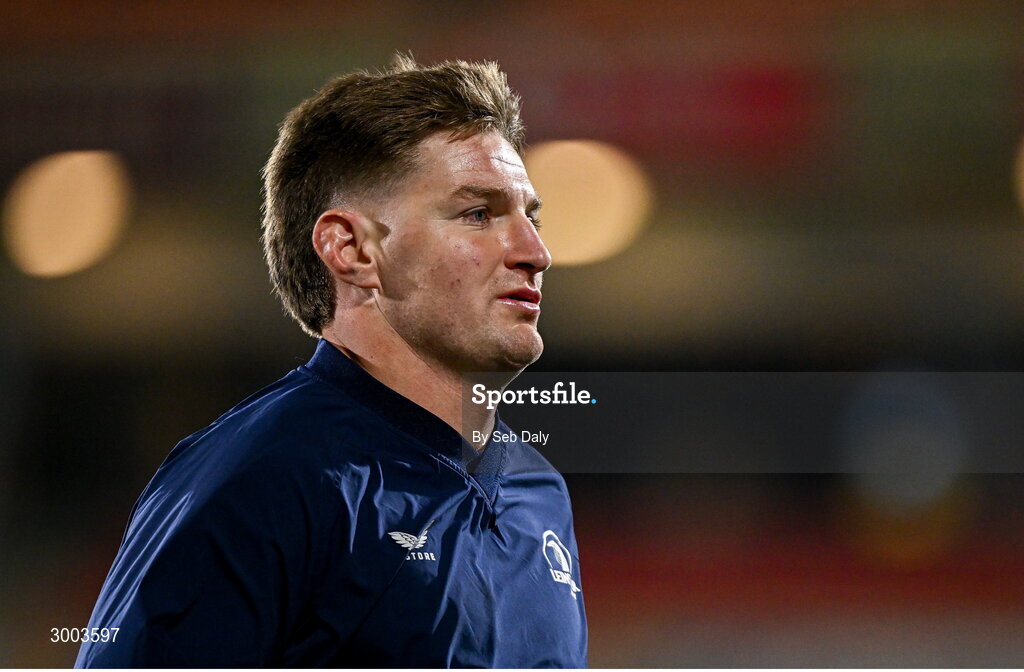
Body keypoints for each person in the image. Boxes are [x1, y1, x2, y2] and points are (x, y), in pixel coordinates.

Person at [76, 55, 588, 668]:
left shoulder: (539, 492)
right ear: (352, 250)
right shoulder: (261, 480)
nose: (536, 252)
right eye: (478, 214)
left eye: (530, 217)